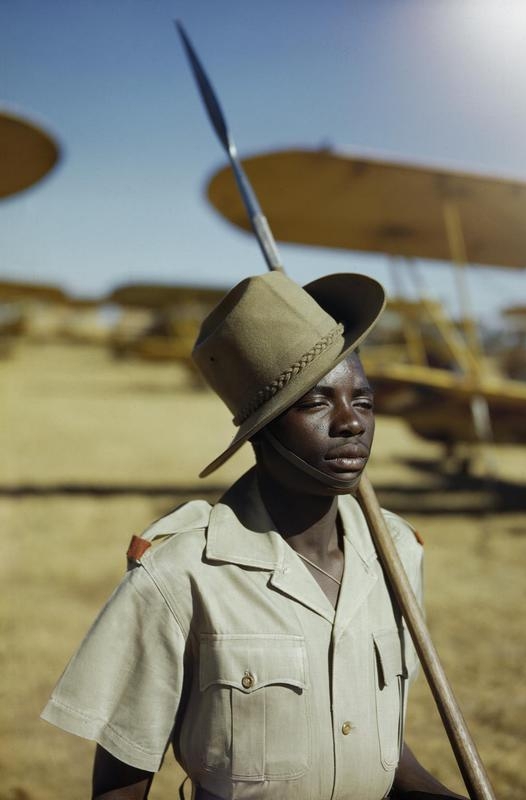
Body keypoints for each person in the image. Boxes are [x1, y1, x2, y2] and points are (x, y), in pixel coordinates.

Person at [42, 271, 466, 800]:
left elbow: (379, 749)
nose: (351, 424)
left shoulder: (397, 554)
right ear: (260, 431)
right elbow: (119, 787)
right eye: (316, 403)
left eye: (363, 400)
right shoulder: (180, 574)